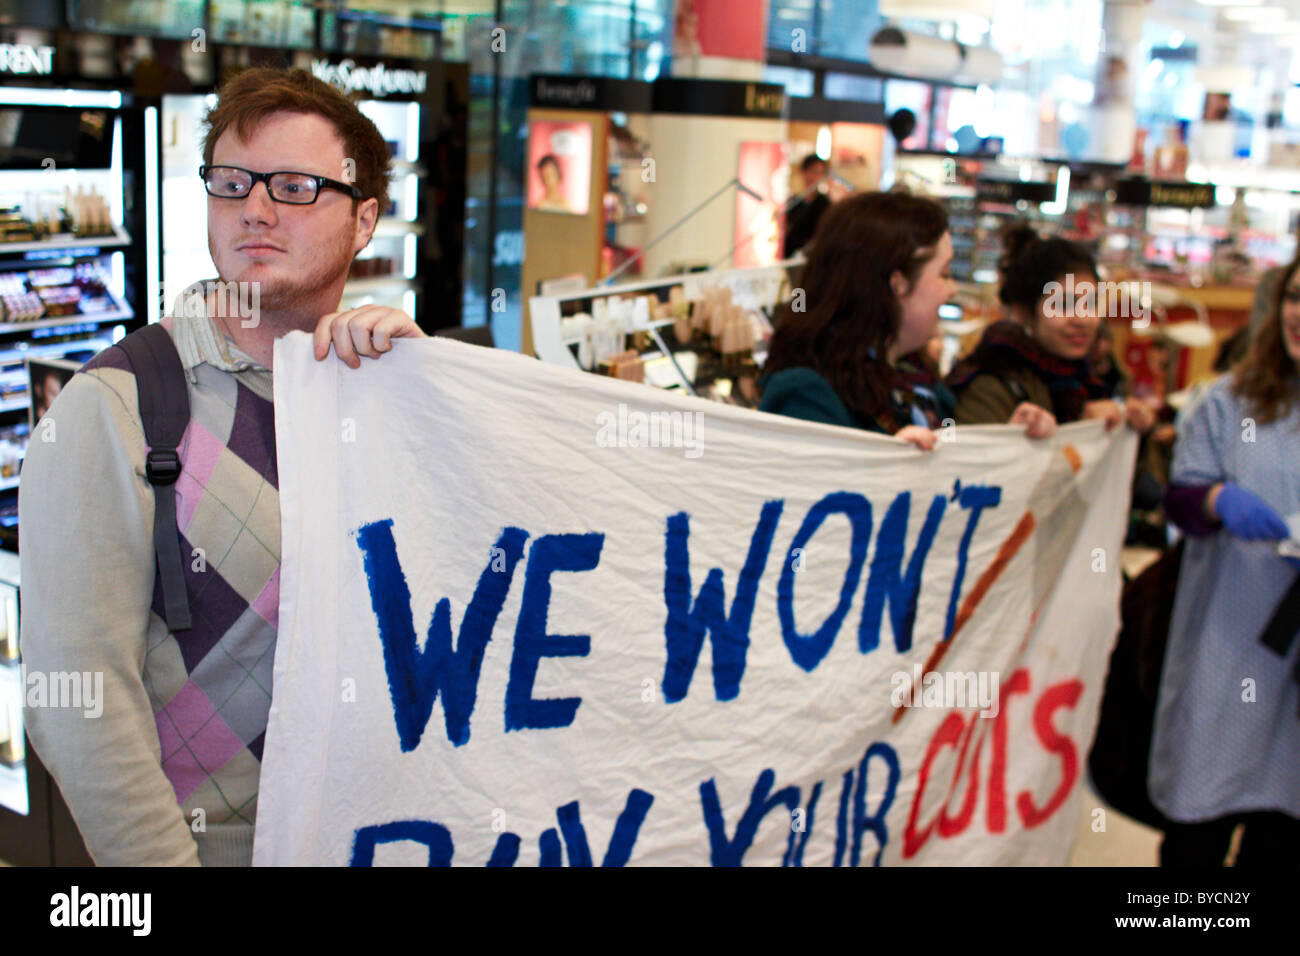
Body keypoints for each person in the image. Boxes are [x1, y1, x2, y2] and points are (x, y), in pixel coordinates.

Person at [18, 67, 426, 867]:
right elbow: (77, 704)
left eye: (296, 186)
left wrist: (421, 394)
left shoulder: (386, 386)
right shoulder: (116, 409)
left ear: (365, 217)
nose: (257, 210)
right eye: (233, 182)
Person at [1153, 255, 1300, 866]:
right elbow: (1180, 500)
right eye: (1295, 297)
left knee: (1282, 831)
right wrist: (1214, 499)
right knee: (1199, 831)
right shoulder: (1231, 400)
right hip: (1229, 641)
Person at [760, 191, 1054, 449]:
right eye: (944, 273)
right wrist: (885, 473)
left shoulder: (916, 382)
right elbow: (802, 499)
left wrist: (1007, 443)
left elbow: (954, 469)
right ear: (897, 282)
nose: (952, 289)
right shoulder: (805, 394)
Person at [947, 222, 1154, 433]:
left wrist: (1140, 432)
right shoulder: (990, 386)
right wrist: (1079, 429)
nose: (1082, 319)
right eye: (1064, 304)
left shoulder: (1095, 381)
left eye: (1091, 304)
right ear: (1024, 312)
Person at [782, 154, 831, 259]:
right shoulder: (794, 202)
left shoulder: (825, 204)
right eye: (812, 171)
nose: (814, 177)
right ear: (804, 172)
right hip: (789, 257)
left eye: (819, 173)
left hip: (811, 258)